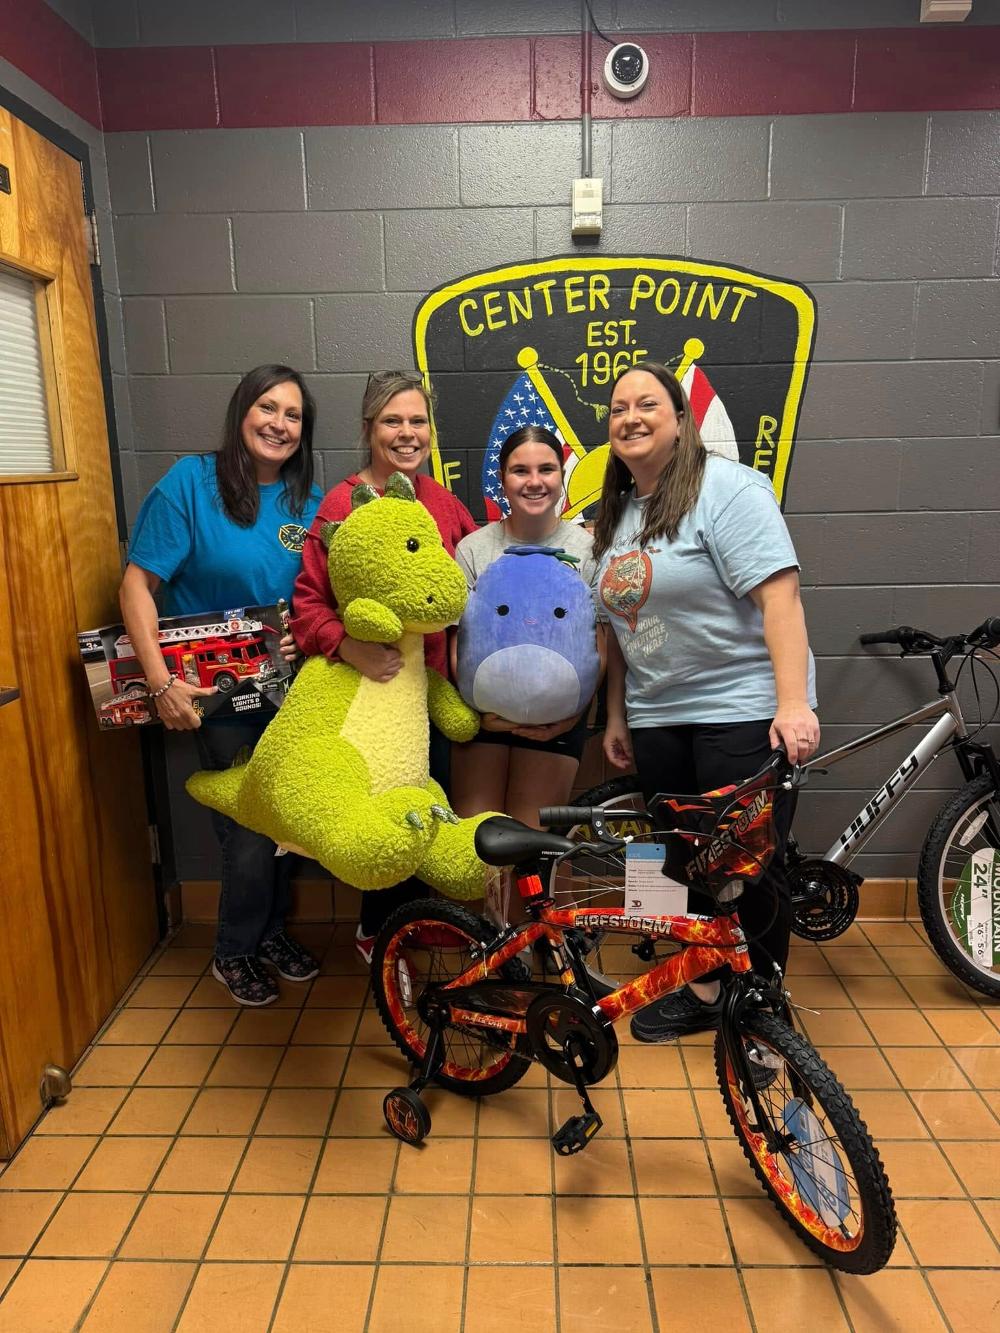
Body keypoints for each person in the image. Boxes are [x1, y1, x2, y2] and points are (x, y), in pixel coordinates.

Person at [595, 362, 819, 1043]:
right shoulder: (618, 514)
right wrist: (617, 714)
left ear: (680, 419)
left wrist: (792, 704)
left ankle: (762, 1019)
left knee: (748, 870)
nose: (630, 417)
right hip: (659, 715)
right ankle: (706, 991)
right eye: (618, 408)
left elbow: (780, 598)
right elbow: (617, 630)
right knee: (683, 862)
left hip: (741, 709)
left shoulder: (729, 490)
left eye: (647, 404)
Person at [120, 364, 324, 1006]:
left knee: (288, 817)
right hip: (217, 698)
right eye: (268, 407)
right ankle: (234, 949)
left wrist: (300, 635)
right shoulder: (190, 483)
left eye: (293, 415)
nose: (279, 423)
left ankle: (270, 933)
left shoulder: (308, 502)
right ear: (242, 412)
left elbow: (314, 598)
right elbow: (136, 586)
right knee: (249, 829)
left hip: (291, 694)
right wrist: (160, 684)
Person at [291, 370, 477, 960]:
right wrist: (348, 646)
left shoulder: (443, 504)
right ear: (370, 428)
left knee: (424, 806)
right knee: (382, 818)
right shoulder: (341, 504)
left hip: (427, 695)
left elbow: (477, 572)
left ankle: (413, 921)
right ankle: (377, 930)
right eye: (393, 421)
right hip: (367, 700)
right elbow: (307, 604)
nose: (407, 433)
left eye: (418, 421)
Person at [451, 425, 605, 831]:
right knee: (476, 842)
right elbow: (458, 642)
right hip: (482, 723)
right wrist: (477, 716)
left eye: (546, 469)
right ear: (502, 479)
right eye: (521, 471)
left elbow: (600, 644)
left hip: (558, 724)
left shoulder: (589, 551)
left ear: (561, 476)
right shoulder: (473, 549)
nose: (534, 481)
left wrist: (572, 718)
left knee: (529, 844)